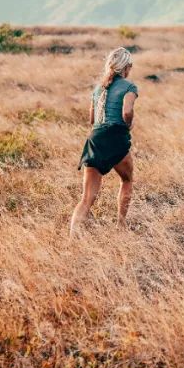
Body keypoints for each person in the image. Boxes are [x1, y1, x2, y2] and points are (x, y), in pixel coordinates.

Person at [70, 47, 138, 235]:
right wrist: (128, 124)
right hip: (116, 138)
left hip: (95, 139)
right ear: (126, 67)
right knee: (127, 180)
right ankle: (121, 225)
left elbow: (92, 120)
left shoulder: (98, 89)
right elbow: (127, 111)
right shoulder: (130, 87)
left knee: (86, 198)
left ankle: (72, 238)